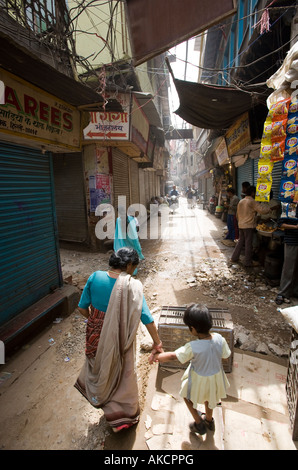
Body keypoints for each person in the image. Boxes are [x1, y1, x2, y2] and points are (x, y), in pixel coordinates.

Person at [75, 248, 163, 433]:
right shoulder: (132, 286)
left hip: (95, 334)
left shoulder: (95, 277)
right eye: (134, 267)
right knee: (121, 372)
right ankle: (120, 415)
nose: (134, 272)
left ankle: (99, 397)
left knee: (98, 367)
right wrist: (157, 342)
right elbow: (146, 318)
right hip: (120, 337)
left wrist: (97, 320)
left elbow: (82, 308)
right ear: (129, 265)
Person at [149, 304, 231, 435]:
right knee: (210, 399)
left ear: (193, 329)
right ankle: (209, 421)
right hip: (216, 378)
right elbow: (226, 356)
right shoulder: (219, 338)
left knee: (187, 396)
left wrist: (156, 356)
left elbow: (172, 356)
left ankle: (199, 423)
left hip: (199, 379)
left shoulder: (193, 346)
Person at [231, 186, 279, 267]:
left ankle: (234, 257)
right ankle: (248, 262)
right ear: (253, 193)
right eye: (256, 192)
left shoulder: (241, 201)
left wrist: (240, 222)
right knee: (248, 244)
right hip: (248, 225)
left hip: (241, 224)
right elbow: (262, 211)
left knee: (240, 241)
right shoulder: (251, 201)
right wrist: (272, 208)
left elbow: (237, 214)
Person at [275, 204, 298, 305]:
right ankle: (283, 293)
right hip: (292, 240)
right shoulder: (289, 206)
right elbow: (280, 224)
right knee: (289, 267)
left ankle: (294, 291)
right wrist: (295, 227)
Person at [114, 207, 144, 274]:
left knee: (124, 254)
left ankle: (124, 270)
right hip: (131, 239)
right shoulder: (131, 218)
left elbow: (117, 231)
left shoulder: (118, 220)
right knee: (132, 253)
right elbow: (137, 228)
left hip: (123, 239)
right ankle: (132, 270)